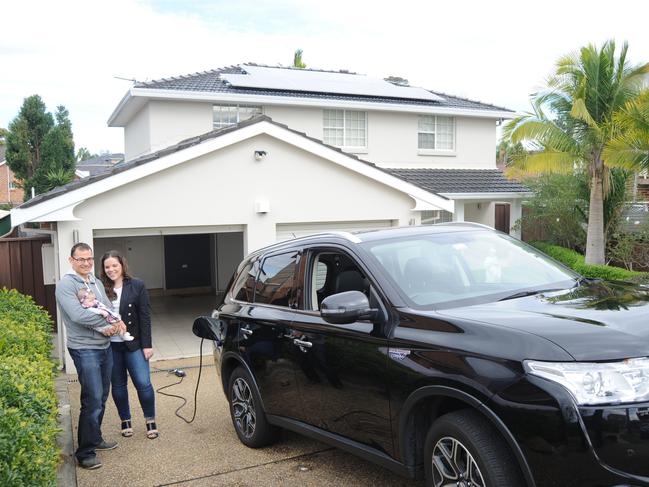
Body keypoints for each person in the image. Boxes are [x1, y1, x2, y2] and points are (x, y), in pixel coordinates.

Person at [55, 242, 126, 470]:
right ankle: (84, 452)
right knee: (92, 398)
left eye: (89, 259)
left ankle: (94, 438)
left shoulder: (94, 281)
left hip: (104, 347)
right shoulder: (66, 284)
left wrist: (115, 321)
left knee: (101, 395)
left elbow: (106, 307)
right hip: (85, 349)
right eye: (81, 259)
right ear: (71, 260)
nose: (86, 263)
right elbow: (77, 315)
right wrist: (106, 325)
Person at [99, 250, 158, 439]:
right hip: (111, 346)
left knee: (143, 383)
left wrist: (147, 345)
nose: (111, 269)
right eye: (107, 267)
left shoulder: (137, 285)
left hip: (134, 344)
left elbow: (145, 316)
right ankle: (125, 420)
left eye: (114, 265)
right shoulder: (100, 287)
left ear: (122, 265)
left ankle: (150, 419)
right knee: (118, 385)